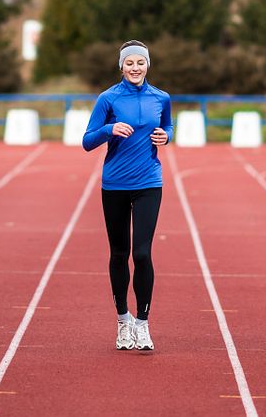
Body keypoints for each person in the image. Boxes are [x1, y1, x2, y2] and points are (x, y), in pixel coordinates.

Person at [82, 40, 173, 351]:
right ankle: (123, 321)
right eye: (130, 63)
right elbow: (87, 141)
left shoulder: (161, 97)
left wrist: (167, 135)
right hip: (115, 185)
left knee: (143, 254)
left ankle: (143, 324)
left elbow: (167, 125)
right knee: (119, 254)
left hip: (149, 182)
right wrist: (110, 130)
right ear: (121, 66)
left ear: (148, 65)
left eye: (141, 63)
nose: (136, 68)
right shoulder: (108, 99)